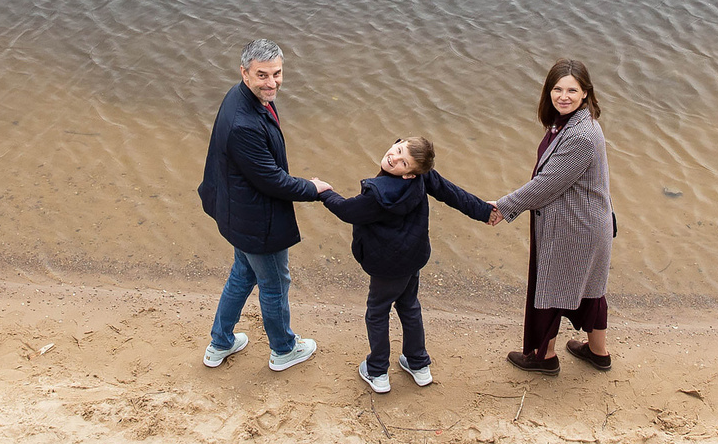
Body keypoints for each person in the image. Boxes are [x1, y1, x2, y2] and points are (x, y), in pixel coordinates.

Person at [314, 136, 493, 394]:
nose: (394, 158)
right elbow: (453, 194)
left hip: (387, 266)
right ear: (397, 142)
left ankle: (377, 371)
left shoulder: (378, 195)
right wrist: (484, 212)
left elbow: (347, 211)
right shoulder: (423, 177)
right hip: (413, 257)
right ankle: (418, 364)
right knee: (409, 306)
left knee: (377, 312)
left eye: (403, 161)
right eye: (397, 150)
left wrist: (323, 192)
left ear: (410, 174)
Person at [196, 40, 324, 371]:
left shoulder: (244, 96)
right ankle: (283, 349)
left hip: (237, 211)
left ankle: (220, 343)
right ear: (245, 73)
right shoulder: (244, 124)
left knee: (242, 273)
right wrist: (312, 188)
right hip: (256, 221)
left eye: (277, 73)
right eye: (262, 75)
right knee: (274, 284)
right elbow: (272, 181)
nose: (271, 82)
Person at [492, 59, 614, 375]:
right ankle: (597, 353)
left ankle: (543, 357)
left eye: (572, 90)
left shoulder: (581, 135)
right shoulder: (572, 123)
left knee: (550, 289)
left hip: (574, 227)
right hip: (588, 221)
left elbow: (547, 184)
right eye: (557, 89)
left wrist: (503, 207)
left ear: (586, 92)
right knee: (590, 289)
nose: (563, 96)